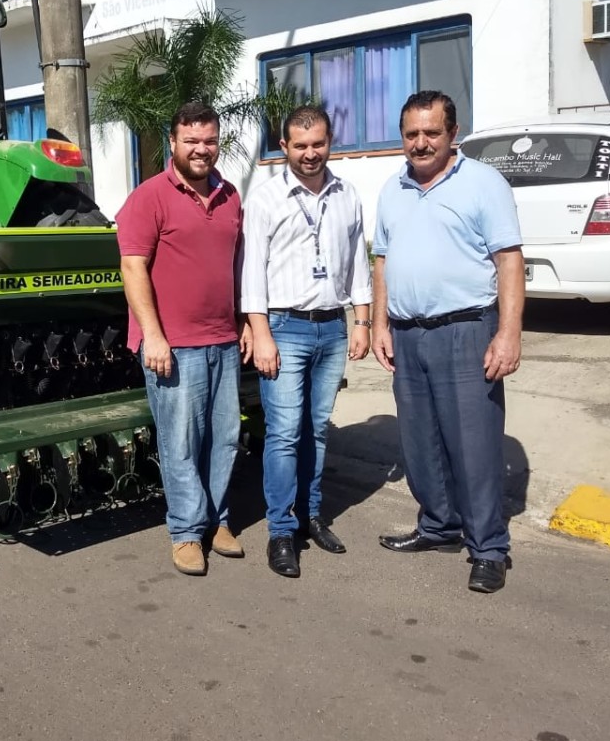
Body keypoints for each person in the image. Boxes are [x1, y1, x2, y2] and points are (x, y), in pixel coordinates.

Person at [371, 90, 524, 594]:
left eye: (431, 133)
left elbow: (509, 261)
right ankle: (438, 525)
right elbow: (383, 261)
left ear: (453, 134)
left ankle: (488, 549)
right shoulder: (393, 188)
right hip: (407, 334)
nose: (421, 143)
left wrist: (507, 333)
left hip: (465, 330)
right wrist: (378, 324)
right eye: (412, 134)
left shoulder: (484, 183)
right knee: (420, 441)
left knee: (473, 445)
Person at [116, 102, 251, 577]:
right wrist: (152, 335)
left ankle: (218, 522)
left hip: (222, 340)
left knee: (225, 438)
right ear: (172, 142)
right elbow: (132, 268)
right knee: (181, 442)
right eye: (191, 140)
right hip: (173, 346)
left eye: (209, 140)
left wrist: (244, 321)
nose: (201, 149)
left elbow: (235, 267)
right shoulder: (148, 197)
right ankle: (186, 532)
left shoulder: (231, 196)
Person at [241, 106, 372, 578]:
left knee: (316, 429)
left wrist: (361, 320)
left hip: (332, 327)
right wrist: (261, 332)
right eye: (300, 145)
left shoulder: (347, 194)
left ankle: (311, 515)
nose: (310, 153)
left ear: (329, 141)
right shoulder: (265, 199)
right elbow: (250, 270)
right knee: (282, 433)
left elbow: (358, 257)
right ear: (284, 147)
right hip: (284, 328)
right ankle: (280, 530)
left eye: (318, 143)